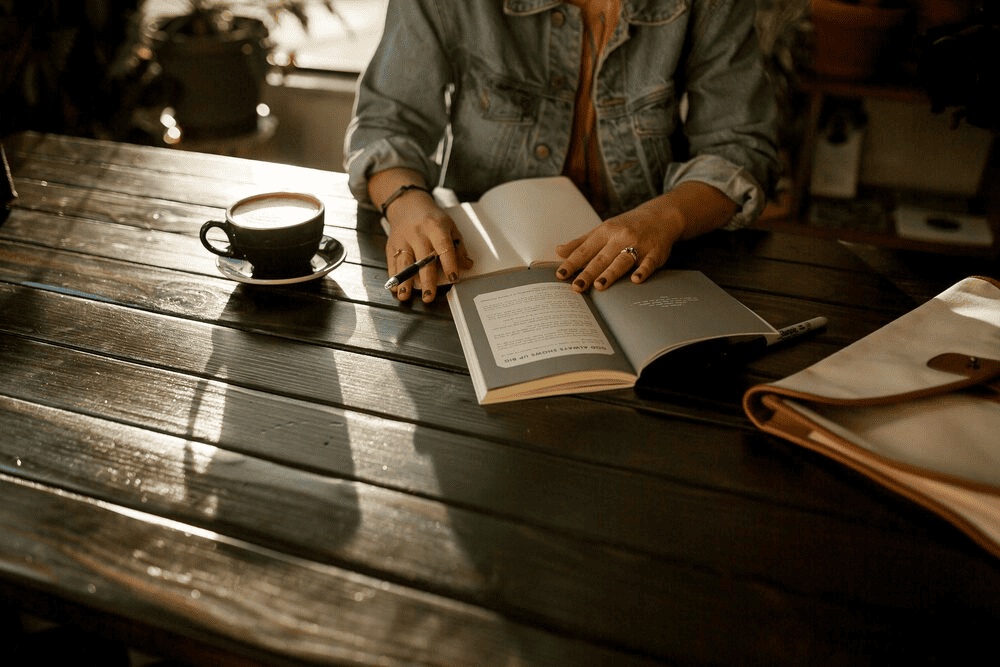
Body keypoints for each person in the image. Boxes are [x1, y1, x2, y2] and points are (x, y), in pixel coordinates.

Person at [345, 0, 781, 302]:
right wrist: (406, 203)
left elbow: (739, 147)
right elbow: (388, 119)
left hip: (649, 270)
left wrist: (662, 219)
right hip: (477, 265)